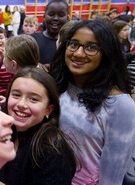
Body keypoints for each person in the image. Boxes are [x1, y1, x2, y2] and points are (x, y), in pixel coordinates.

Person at [49, 20, 135, 184]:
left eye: (91, 47)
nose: (79, 53)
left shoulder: (120, 106)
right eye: (74, 44)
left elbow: (112, 176)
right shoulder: (58, 86)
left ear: (107, 54)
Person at [0, 67, 77, 184]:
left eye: (33, 99)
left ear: (49, 110)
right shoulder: (4, 131)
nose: (21, 104)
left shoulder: (52, 150)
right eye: (16, 95)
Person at [31, 0, 69, 65]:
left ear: (67, 18)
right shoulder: (32, 39)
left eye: (61, 15)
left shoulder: (70, 42)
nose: (55, 18)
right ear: (44, 16)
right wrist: (36, 65)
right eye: (51, 14)